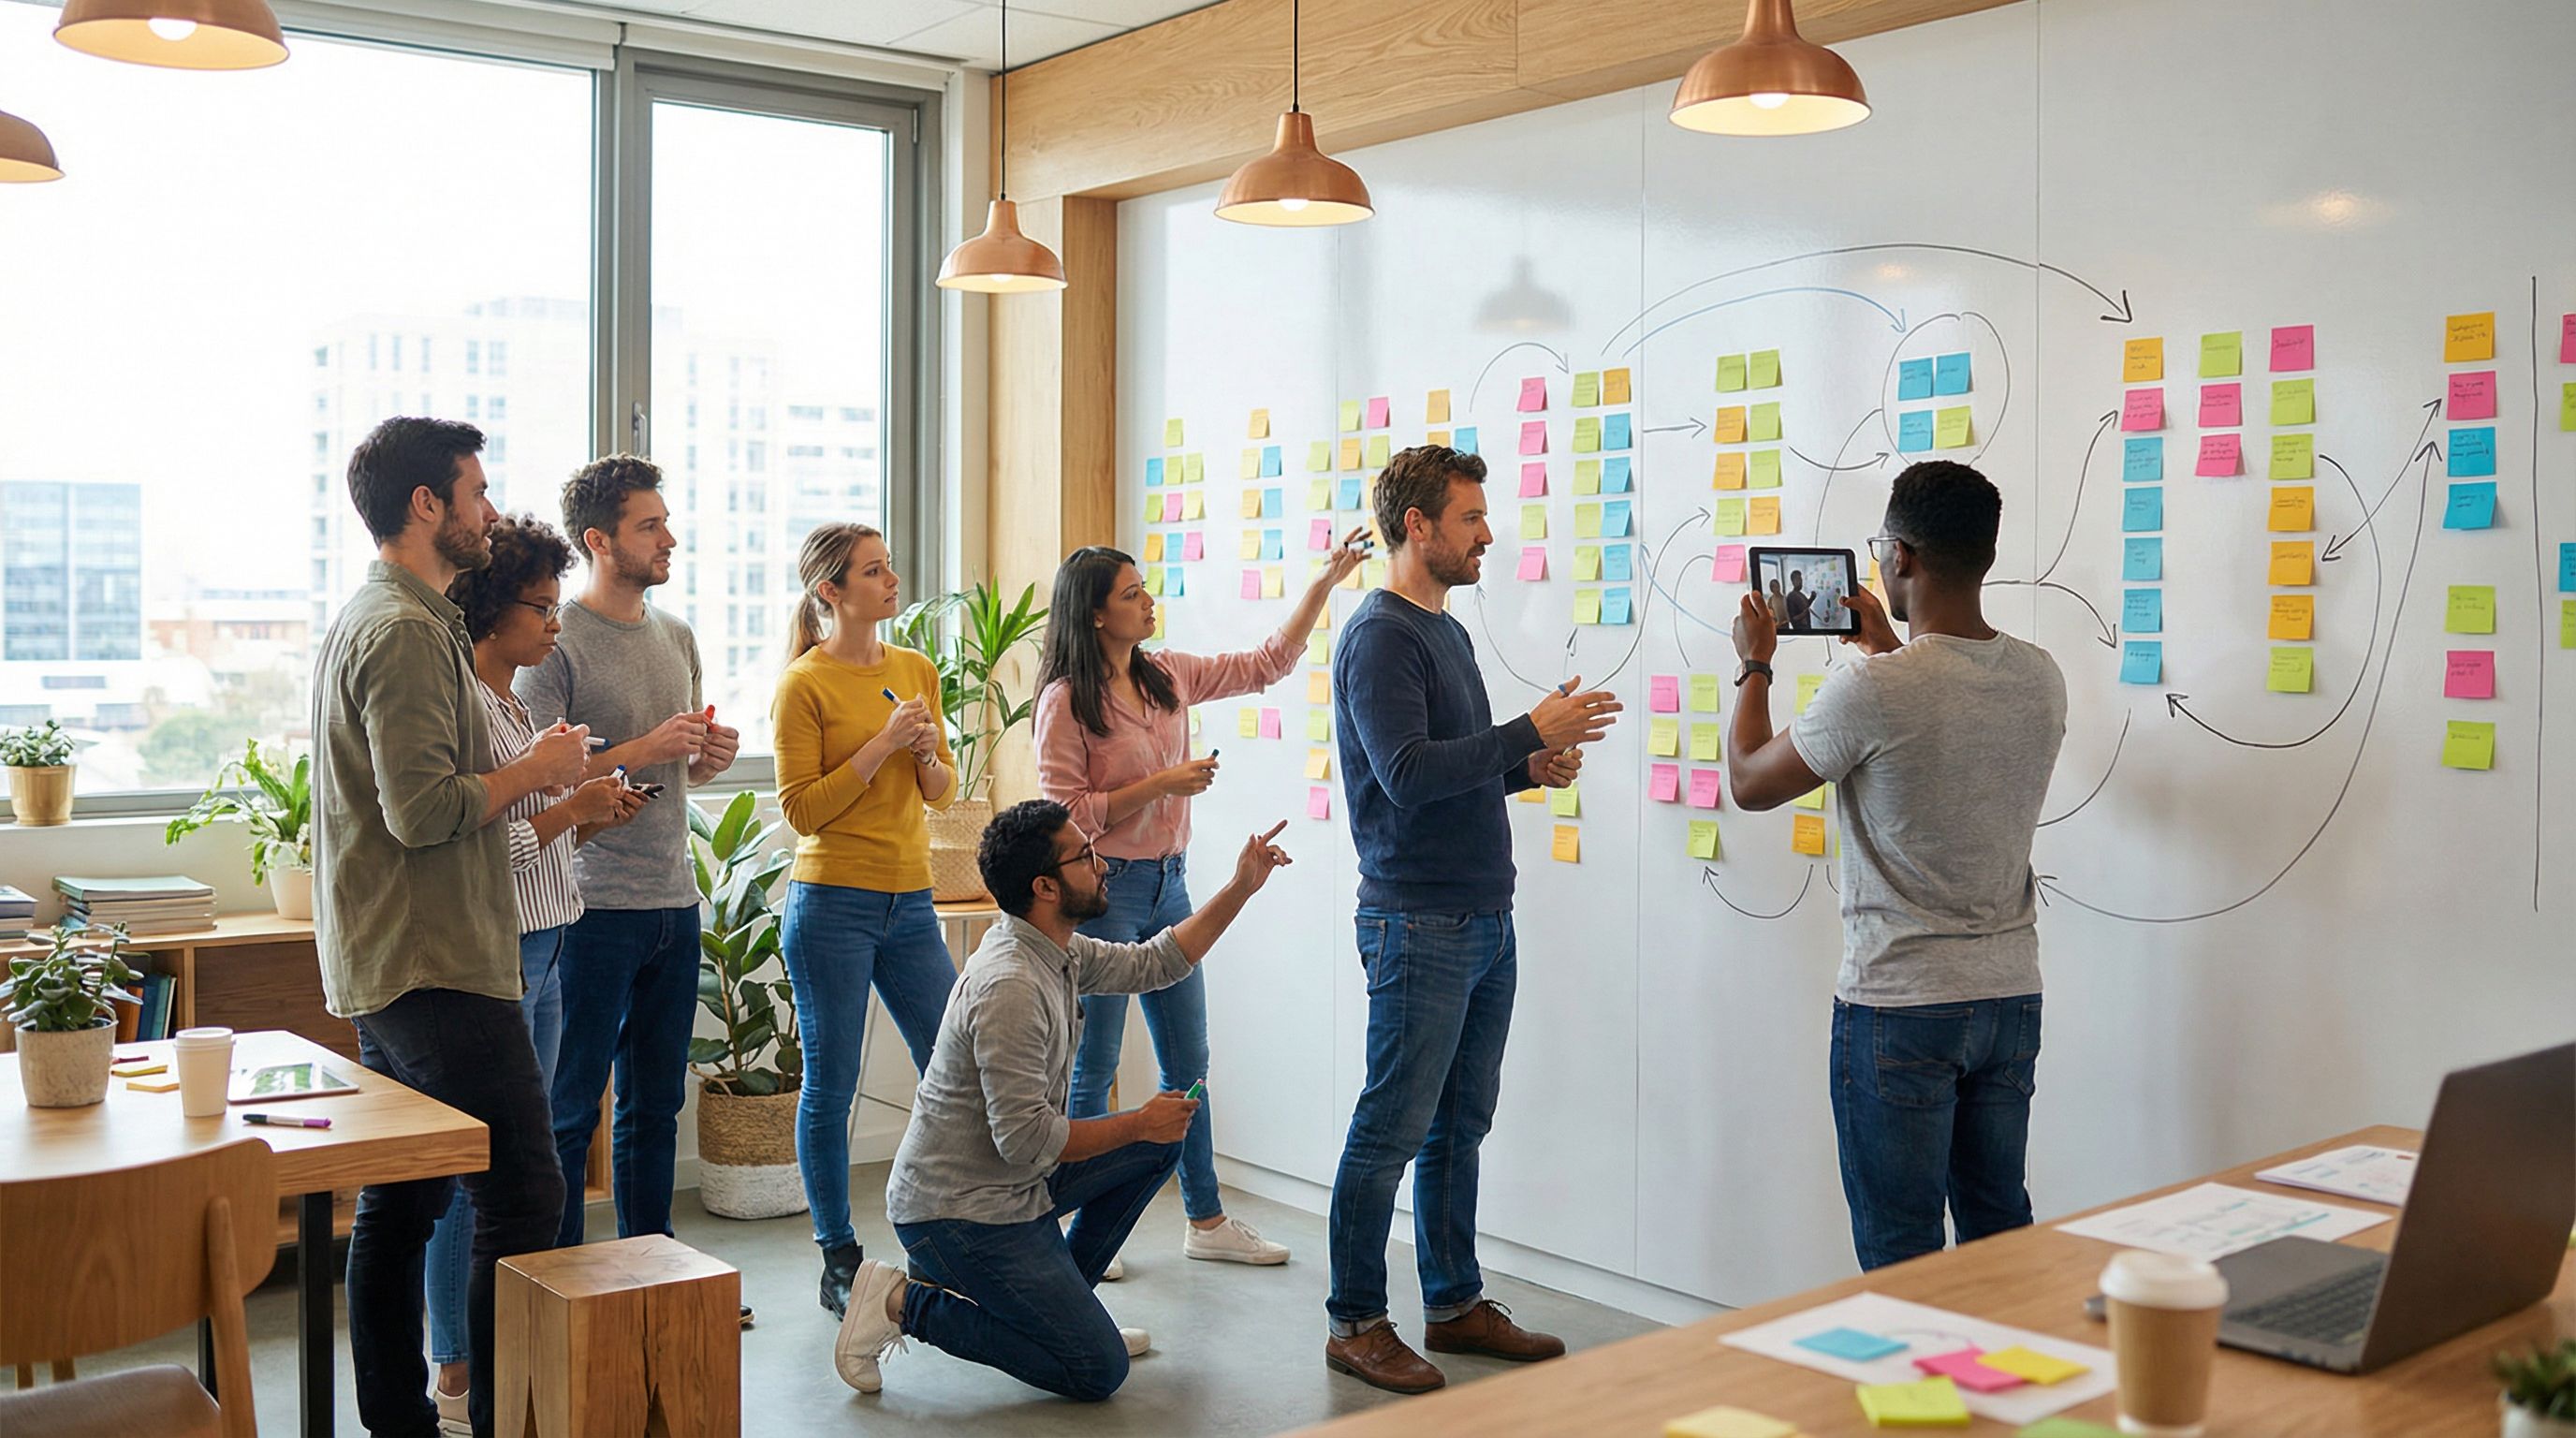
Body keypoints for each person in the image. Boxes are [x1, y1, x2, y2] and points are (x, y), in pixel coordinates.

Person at [1322, 445, 1620, 1395]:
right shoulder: (1380, 637)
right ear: (1418, 526)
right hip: (1417, 923)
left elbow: (1448, 764)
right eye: (1470, 517)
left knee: (1460, 1124)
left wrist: (1521, 769)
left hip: (1482, 916)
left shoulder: (1441, 630)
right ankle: (1355, 1322)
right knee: (1390, 1129)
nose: (1487, 532)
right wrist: (1528, 733)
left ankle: (1451, 1304)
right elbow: (1404, 777)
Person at [1723, 460, 2068, 1271]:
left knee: (1901, 1250)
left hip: (1901, 1005)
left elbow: (1747, 782)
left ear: (1903, 558)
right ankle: (2006, 1391)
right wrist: (1886, 646)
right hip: (2009, 997)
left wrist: (1756, 663)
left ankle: (1917, 1397)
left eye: (1882, 546)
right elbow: (1942, 720)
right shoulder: (2041, 677)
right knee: (1997, 1236)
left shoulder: (1872, 691)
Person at [312, 418, 584, 1437]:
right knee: (523, 1187)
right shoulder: (405, 630)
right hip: (429, 962)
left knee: (408, 1198)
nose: (487, 508)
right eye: (473, 490)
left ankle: (404, 1423)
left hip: (401, 955)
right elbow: (421, 811)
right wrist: (538, 774)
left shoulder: (392, 616)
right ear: (426, 505)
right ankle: (496, 1418)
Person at [833, 800, 1293, 1401]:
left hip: (1013, 1189)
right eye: (1086, 856)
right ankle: (901, 1300)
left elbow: (1158, 961)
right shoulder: (1012, 985)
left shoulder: (1058, 950)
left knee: (1161, 1141)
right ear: (1045, 886)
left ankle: (1067, 1314)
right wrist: (1136, 1122)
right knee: (1095, 1371)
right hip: (956, 1215)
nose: (1103, 866)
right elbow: (1026, 1142)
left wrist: (1242, 886)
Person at [1032, 532, 1367, 1272]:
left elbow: (1267, 663)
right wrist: (1160, 784)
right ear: (1093, 616)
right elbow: (1064, 816)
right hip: (1106, 894)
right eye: (1131, 594)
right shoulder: (1065, 701)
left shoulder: (1167, 675)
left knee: (1189, 1060)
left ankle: (1205, 1217)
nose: (1149, 602)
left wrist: (1328, 577)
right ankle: (1077, 1225)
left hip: (1170, 885)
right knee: (1094, 1064)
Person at [421, 516, 643, 1431]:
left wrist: (595, 811)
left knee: (530, 1164)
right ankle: (459, 1369)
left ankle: (504, 1350)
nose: (555, 626)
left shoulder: (515, 709)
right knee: (486, 1175)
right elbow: (482, 848)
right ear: (492, 607)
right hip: (503, 951)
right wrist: (567, 804)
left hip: (550, 940)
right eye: (541, 608)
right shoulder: (471, 709)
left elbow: (538, 847)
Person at [515, 454, 741, 1261]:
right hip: (588, 909)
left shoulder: (676, 636)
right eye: (650, 526)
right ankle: (566, 1280)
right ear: (600, 541)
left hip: (672, 905)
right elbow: (538, 773)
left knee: (655, 1111)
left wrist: (705, 753)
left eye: (665, 522)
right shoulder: (552, 642)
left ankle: (656, 1272)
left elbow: (683, 769)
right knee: (570, 1109)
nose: (669, 538)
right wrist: (647, 747)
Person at [771, 521, 960, 1319]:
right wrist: (880, 746)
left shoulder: (916, 669)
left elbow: (942, 791)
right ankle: (838, 1256)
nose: (891, 581)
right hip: (831, 907)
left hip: (910, 903)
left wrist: (919, 753)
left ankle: (948, 1233)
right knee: (833, 1086)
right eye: (873, 571)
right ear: (831, 592)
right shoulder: (803, 685)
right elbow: (802, 811)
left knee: (955, 1069)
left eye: (890, 567)